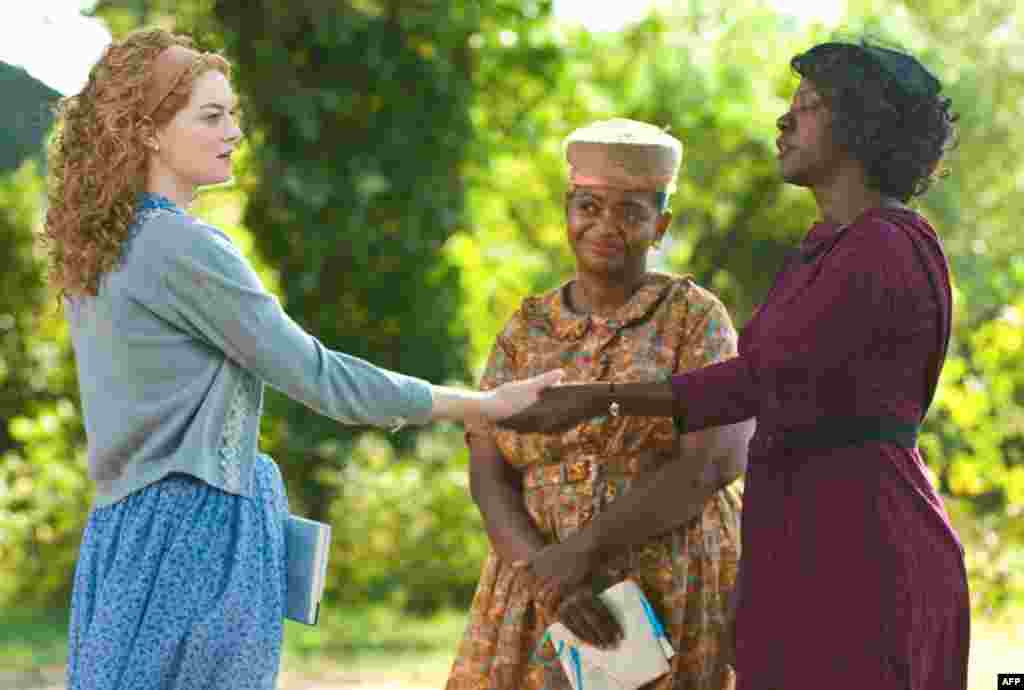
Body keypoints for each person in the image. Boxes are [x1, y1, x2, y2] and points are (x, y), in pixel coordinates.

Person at [43, 28, 561, 690]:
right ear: (148, 132)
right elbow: (319, 377)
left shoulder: (103, 246)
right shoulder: (182, 248)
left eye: (233, 113)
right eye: (212, 115)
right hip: (195, 533)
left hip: (123, 531)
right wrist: (480, 405)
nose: (234, 131)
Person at [499, 41, 969, 690]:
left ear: (861, 125)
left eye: (808, 106)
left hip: (860, 539)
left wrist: (595, 398)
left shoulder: (887, 243)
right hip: (798, 532)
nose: (784, 121)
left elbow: (760, 379)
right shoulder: (822, 246)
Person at [445, 118, 755, 690]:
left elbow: (712, 462)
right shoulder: (526, 328)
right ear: (567, 210)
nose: (604, 225)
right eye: (588, 206)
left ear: (660, 225)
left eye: (630, 212)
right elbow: (488, 469)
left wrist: (580, 555)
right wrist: (549, 579)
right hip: (538, 578)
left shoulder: (695, 319)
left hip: (664, 578)